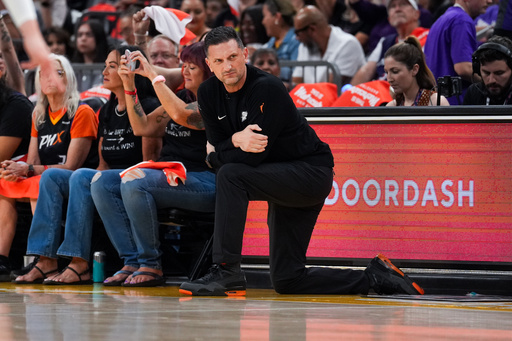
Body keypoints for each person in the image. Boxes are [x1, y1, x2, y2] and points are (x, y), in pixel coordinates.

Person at [179, 26, 424, 297]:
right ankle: (376, 278)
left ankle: (226, 271)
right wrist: (236, 141)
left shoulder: (267, 88)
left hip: (309, 173)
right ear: (209, 64)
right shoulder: (208, 93)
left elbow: (247, 156)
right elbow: (217, 156)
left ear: (245, 54)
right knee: (287, 280)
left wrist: (220, 151)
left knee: (231, 175)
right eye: (219, 61)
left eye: (233, 57)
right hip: (277, 176)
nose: (228, 66)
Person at [12, 45, 161, 285]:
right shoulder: (106, 111)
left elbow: (149, 162)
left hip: (136, 178)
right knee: (53, 178)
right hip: (107, 178)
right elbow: (102, 164)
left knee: (80, 176)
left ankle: (79, 263)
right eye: (105, 65)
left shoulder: (149, 105)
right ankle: (46, 260)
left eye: (112, 66)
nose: (104, 70)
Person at [90, 42, 216, 287]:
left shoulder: (214, 101)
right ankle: (132, 261)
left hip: (205, 181)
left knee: (135, 182)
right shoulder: (180, 96)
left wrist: (151, 75)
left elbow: (181, 115)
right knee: (102, 182)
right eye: (184, 66)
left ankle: (151, 264)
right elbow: (142, 127)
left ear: (208, 72)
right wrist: (129, 84)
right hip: (169, 176)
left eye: (192, 67)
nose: (185, 72)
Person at [0, 54, 98, 282]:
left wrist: (29, 169)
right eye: (43, 73)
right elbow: (32, 160)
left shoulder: (81, 112)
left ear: (68, 78)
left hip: (75, 178)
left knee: (43, 180)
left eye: (57, 72)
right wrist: (15, 167)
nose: (49, 77)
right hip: (44, 174)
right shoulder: (38, 114)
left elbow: (72, 165)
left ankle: (44, 258)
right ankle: (2, 257)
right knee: (4, 180)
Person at [424, 0, 493, 105]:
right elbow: (463, 68)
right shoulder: (461, 20)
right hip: (455, 106)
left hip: (437, 102)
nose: (489, 1)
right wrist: (491, 81)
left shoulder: (441, 20)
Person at [351, 0, 429, 86]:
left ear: (416, 14)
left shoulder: (428, 37)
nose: (397, 9)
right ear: (389, 19)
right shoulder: (385, 41)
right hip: (379, 93)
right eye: (392, 6)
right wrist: (350, 92)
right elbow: (366, 70)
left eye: (403, 4)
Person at [291, 5, 365, 86]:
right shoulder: (305, 46)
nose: (296, 38)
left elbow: (331, 89)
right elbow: (296, 82)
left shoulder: (348, 44)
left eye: (297, 33)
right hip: (311, 97)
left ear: (312, 29)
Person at [384, 36, 449, 106]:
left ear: (415, 69)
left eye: (395, 71)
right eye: (387, 72)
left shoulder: (436, 102)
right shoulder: (391, 106)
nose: (389, 79)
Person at [463, 35, 512, 105]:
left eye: (499, 73)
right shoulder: (474, 92)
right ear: (478, 69)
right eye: (486, 73)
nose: (492, 80)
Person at [261, 0, 300, 84]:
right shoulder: (271, 42)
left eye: (265, 16)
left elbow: (297, 74)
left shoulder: (296, 40)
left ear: (277, 17)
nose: (263, 21)